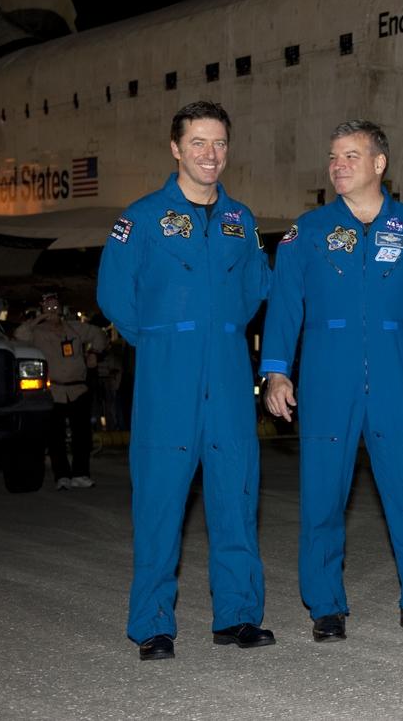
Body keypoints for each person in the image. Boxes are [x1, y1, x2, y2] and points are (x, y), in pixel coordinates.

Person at [261, 120, 403, 641]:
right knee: (322, 495)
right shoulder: (308, 231)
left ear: (378, 164)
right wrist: (276, 371)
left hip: (397, 380)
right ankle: (326, 605)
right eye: (333, 156)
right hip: (326, 380)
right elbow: (284, 306)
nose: (338, 165)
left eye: (350, 155)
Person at [97, 101, 273, 661]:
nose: (210, 155)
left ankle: (238, 616)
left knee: (236, 496)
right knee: (160, 503)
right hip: (166, 377)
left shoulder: (240, 220)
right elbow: (113, 293)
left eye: (219, 143)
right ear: (176, 148)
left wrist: (220, 332)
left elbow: (255, 288)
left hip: (226, 374)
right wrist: (160, 338)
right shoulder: (141, 218)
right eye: (198, 142)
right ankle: (152, 625)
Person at [14, 291, 108, 489]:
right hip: (54, 390)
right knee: (55, 435)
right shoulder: (37, 332)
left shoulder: (74, 328)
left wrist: (94, 353)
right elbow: (18, 335)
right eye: (48, 306)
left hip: (78, 388)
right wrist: (40, 318)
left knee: (82, 435)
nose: (52, 310)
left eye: (55, 306)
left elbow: (99, 334)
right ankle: (62, 475)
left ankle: (81, 473)